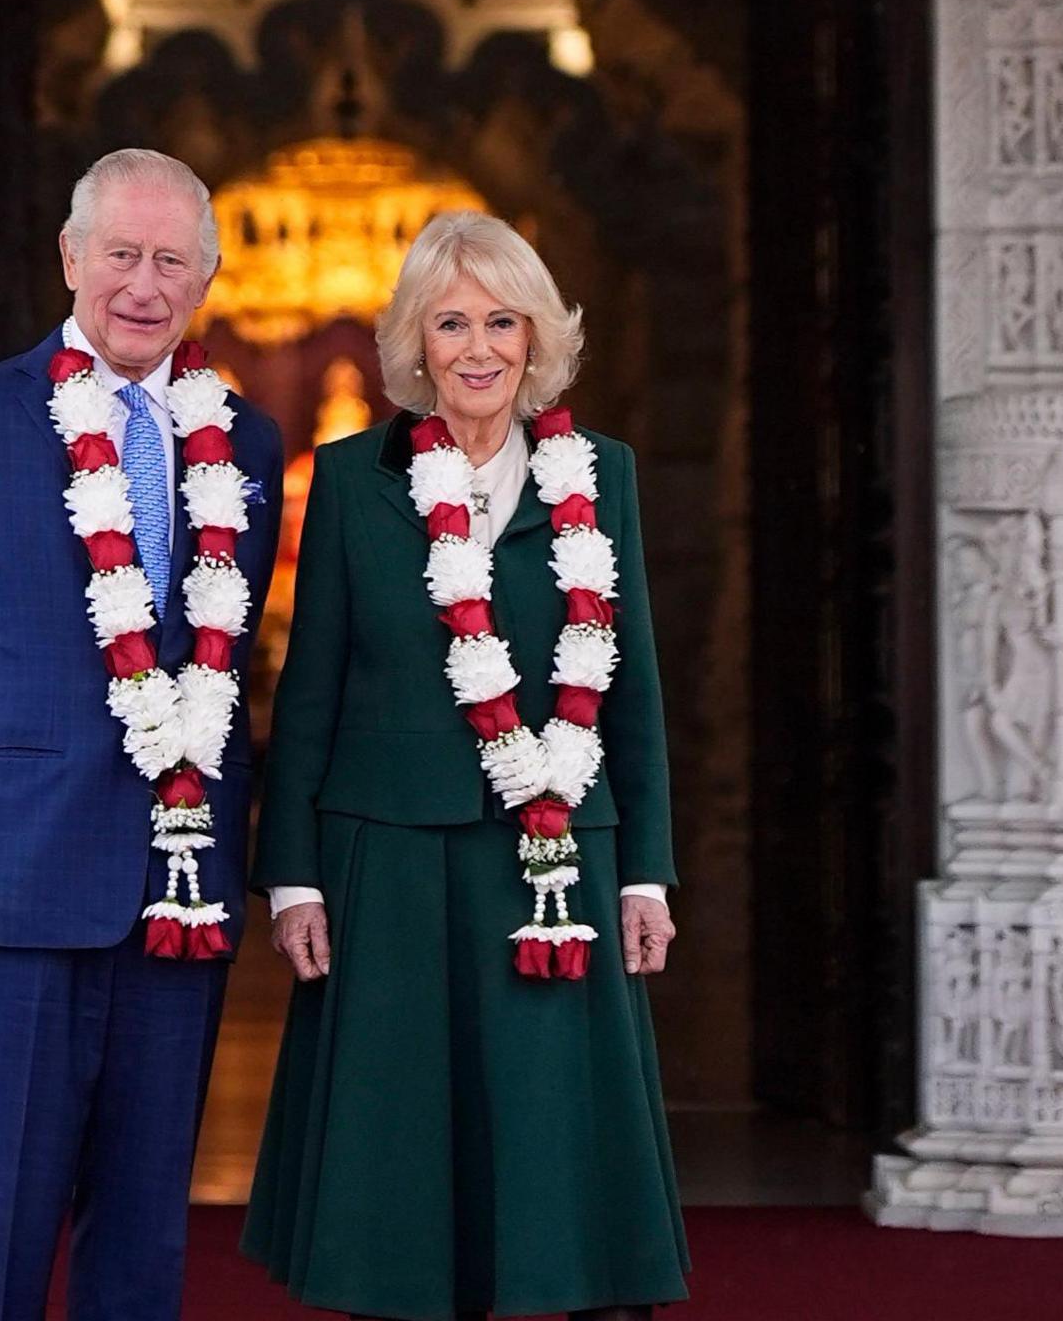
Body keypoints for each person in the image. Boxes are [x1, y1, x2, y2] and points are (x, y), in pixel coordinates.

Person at [242, 211, 688, 1320]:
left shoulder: (604, 478)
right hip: (387, 858)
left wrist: (645, 872)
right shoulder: (351, 481)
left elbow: (629, 686)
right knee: (398, 1152)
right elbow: (311, 691)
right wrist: (292, 876)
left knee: (550, 1141)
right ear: (416, 343)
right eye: (452, 323)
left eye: (502, 321)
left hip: (555, 861)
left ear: (538, 339)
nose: (479, 347)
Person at [0, 147, 284, 1321]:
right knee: (3, 1219)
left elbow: (232, 653)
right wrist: (11, 785)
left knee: (144, 1224)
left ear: (207, 279)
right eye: (121, 254)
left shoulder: (248, 447)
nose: (144, 284)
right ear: (71, 258)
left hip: (179, 881)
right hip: (11, 881)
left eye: (172, 261)